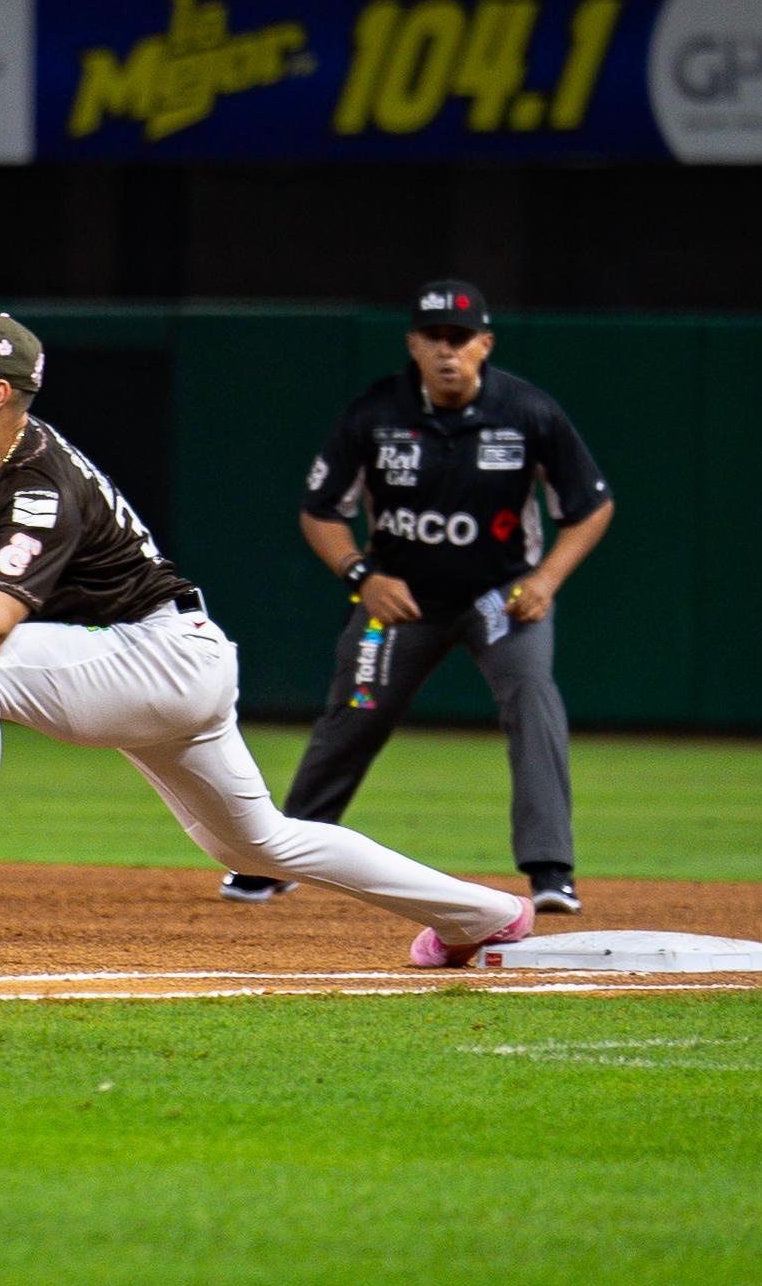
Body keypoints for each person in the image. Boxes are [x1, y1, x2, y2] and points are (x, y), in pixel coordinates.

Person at [0, 310, 535, 969]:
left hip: (156, 655)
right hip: (161, 658)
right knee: (254, 844)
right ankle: (479, 915)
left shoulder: (36, 484)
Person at [220, 281, 613, 919]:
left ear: (485, 344)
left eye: (460, 339)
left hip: (499, 600)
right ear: (413, 343)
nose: (447, 351)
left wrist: (545, 581)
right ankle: (275, 861)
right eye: (433, 338)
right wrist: (360, 575)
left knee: (533, 696)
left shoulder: (528, 411)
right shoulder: (375, 413)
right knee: (355, 712)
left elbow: (592, 506)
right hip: (396, 603)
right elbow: (320, 511)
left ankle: (550, 870)